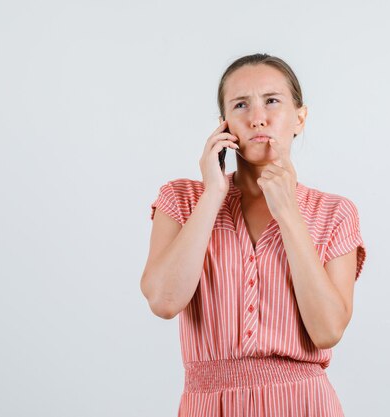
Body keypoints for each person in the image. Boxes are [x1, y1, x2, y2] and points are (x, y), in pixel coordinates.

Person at [140, 53, 367, 417]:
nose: (257, 117)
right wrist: (212, 193)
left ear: (300, 117)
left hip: (304, 404)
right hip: (208, 405)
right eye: (241, 104)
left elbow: (327, 331)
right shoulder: (182, 199)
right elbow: (164, 301)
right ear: (224, 124)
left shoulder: (334, 213)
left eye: (272, 101)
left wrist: (289, 215)